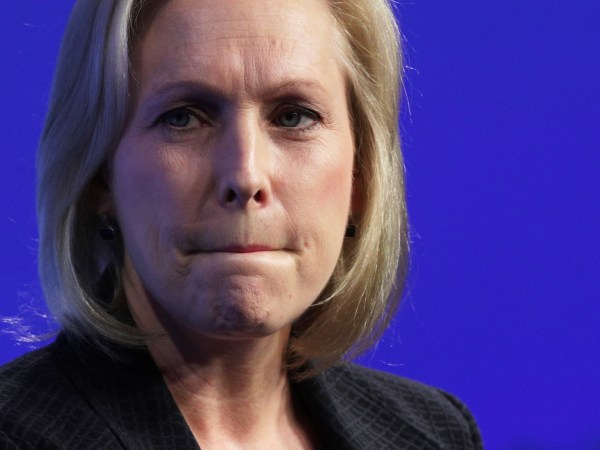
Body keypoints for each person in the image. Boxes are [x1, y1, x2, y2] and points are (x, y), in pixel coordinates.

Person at [0, 0, 483, 448]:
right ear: (100, 177)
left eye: (293, 117)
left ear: (362, 174)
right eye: (183, 118)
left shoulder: (434, 433)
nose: (245, 176)